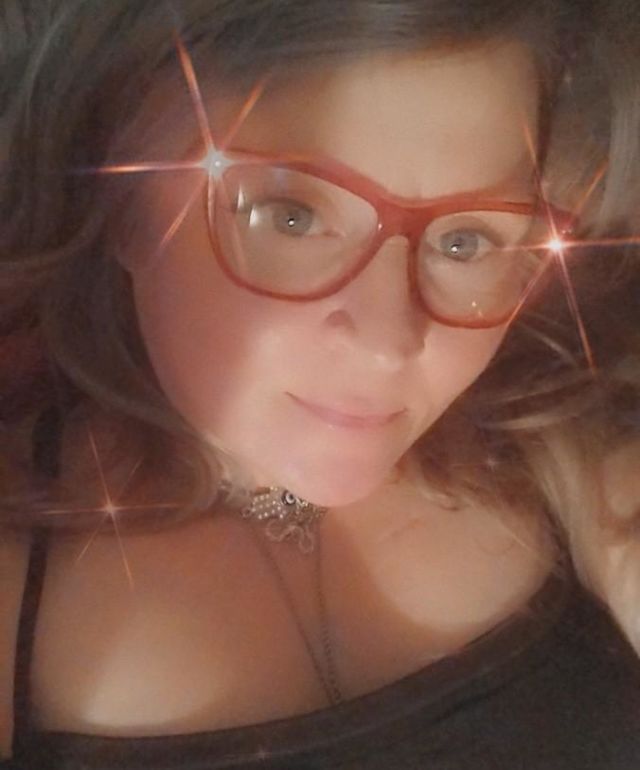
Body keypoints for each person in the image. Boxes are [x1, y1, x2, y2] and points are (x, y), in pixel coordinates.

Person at [1, 1, 640, 768]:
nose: (388, 343)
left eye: (465, 240)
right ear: (123, 205)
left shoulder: (569, 460)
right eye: (291, 216)